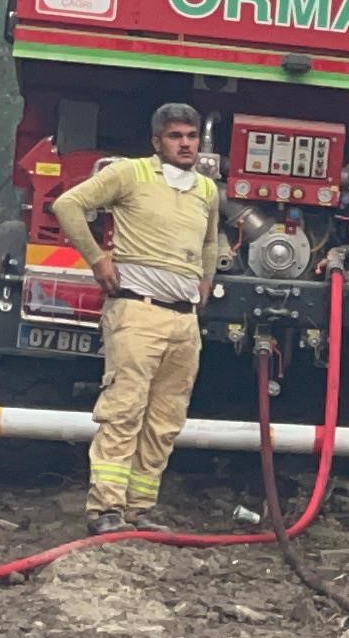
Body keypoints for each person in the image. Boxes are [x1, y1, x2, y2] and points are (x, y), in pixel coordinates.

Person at [51, 103, 231, 534]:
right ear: (157, 142)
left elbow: (209, 241)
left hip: (183, 321)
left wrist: (205, 281)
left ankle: (139, 508)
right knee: (124, 410)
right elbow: (68, 205)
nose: (185, 143)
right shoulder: (130, 174)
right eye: (175, 136)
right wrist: (97, 259)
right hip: (138, 310)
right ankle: (105, 509)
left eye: (191, 135)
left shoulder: (206, 189)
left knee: (166, 419)